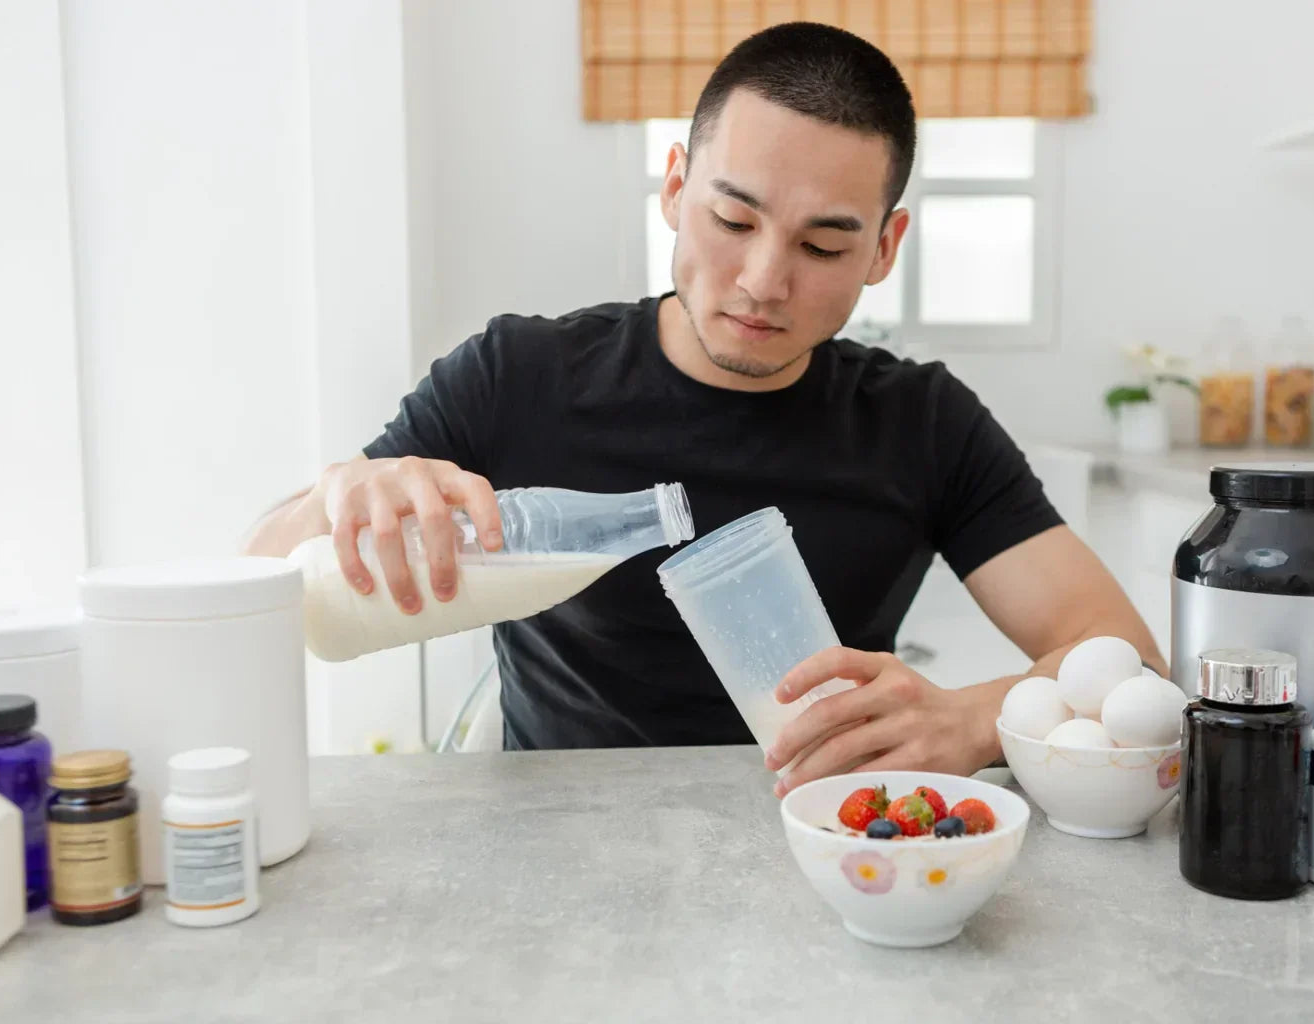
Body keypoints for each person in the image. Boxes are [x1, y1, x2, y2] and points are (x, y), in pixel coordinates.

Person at [245, 21, 1164, 795]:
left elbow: (1124, 658)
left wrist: (972, 717)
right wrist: (342, 496)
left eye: (823, 244)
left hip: (827, 846)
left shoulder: (921, 421)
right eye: (733, 221)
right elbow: (259, 574)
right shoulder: (520, 375)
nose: (764, 282)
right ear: (677, 188)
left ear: (885, 248)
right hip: (550, 848)